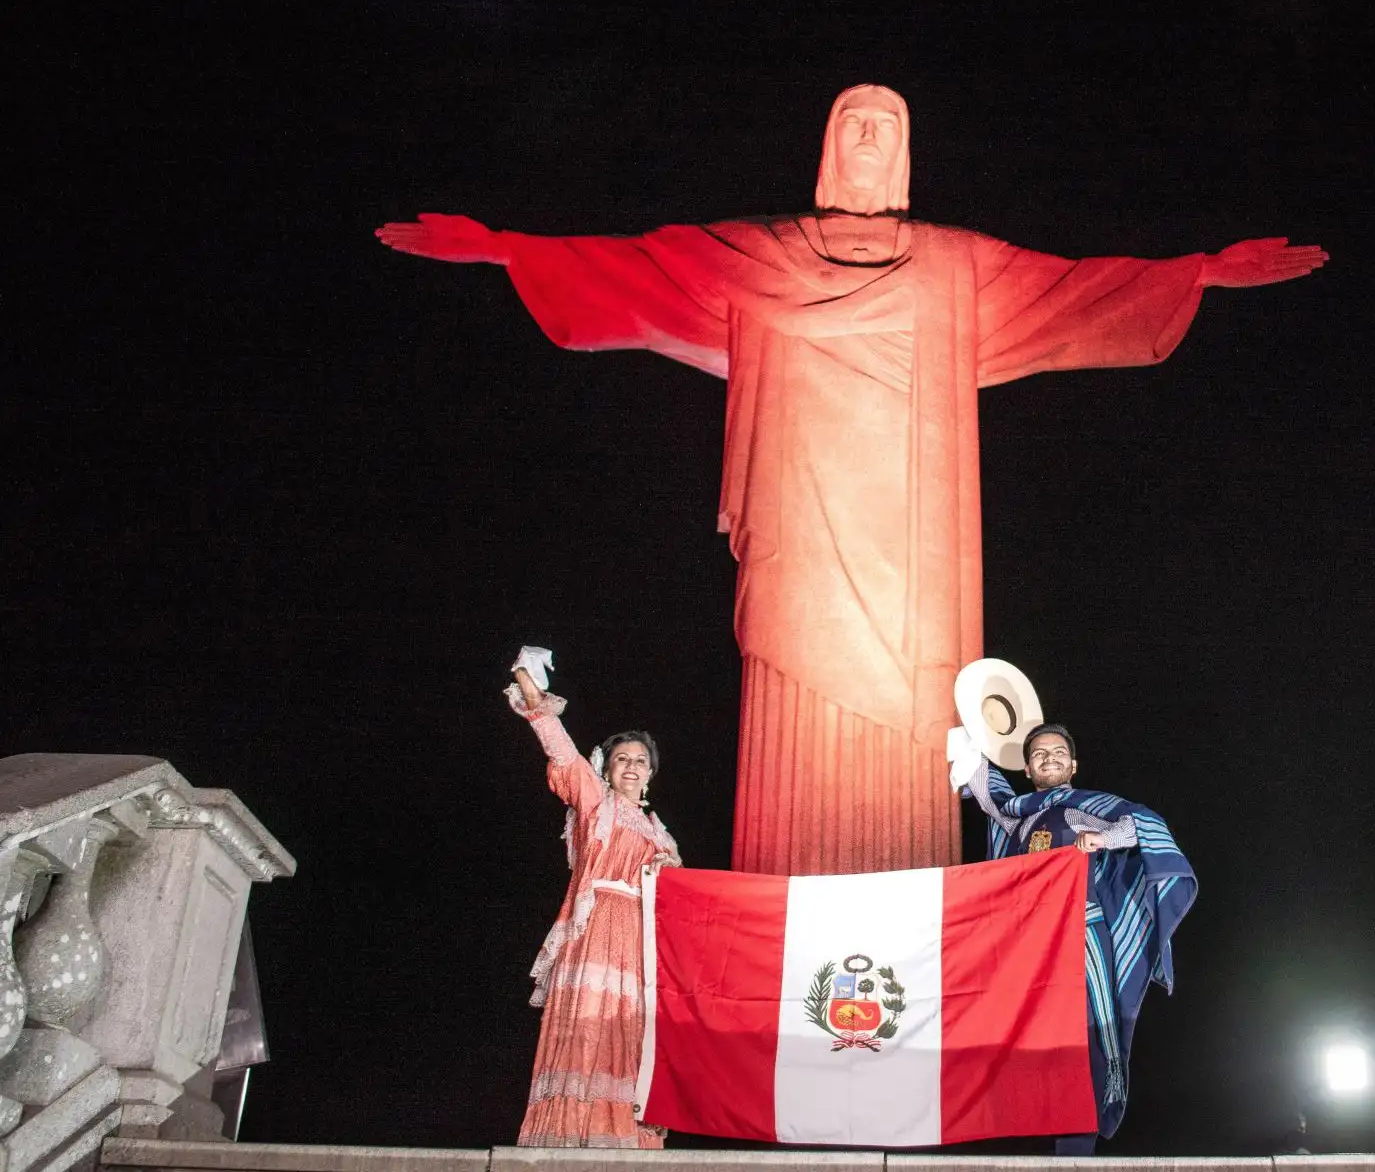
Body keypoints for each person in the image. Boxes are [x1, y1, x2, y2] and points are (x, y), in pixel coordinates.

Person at [378, 85, 1327, 878]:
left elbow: (1079, 291)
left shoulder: (957, 267)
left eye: (889, 125)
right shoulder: (765, 254)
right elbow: (638, 269)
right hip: (800, 538)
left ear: (906, 154)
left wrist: (1196, 273)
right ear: (830, 149)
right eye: (853, 122)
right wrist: (511, 249)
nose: (870, 136)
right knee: (793, 716)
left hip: (915, 567)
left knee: (917, 740)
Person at [963, 722, 1196, 1155]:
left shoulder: (1081, 807)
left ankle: (1076, 1151)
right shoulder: (1018, 815)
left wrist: (1103, 838)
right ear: (1028, 770)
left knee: (1088, 1034)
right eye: (1038, 754)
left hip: (1078, 933)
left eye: (1057, 752)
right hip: (1026, 944)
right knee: (1017, 1038)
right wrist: (971, 729)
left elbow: (1143, 824)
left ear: (1073, 764)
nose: (1048, 757)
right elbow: (985, 792)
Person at [505, 673, 681, 1149]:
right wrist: (535, 700)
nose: (631, 766)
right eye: (622, 758)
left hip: (642, 944)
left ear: (651, 774)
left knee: (632, 1032)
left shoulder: (661, 834)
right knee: (591, 1024)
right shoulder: (595, 804)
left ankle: (626, 1134)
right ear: (606, 769)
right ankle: (572, 1135)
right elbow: (562, 755)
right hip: (599, 927)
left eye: (640, 761)